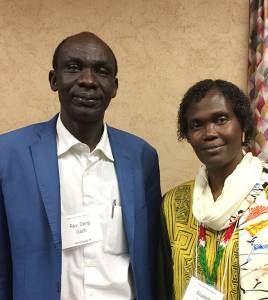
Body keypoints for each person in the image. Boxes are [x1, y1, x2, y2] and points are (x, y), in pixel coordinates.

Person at [0, 32, 161, 300]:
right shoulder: (9, 155)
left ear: (115, 86)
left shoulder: (142, 157)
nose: (88, 80)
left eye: (101, 71)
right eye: (74, 68)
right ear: (54, 80)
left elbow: (148, 256)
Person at [159, 79, 268, 300]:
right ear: (187, 135)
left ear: (243, 125)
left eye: (221, 119)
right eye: (197, 125)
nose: (209, 133)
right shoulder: (173, 204)